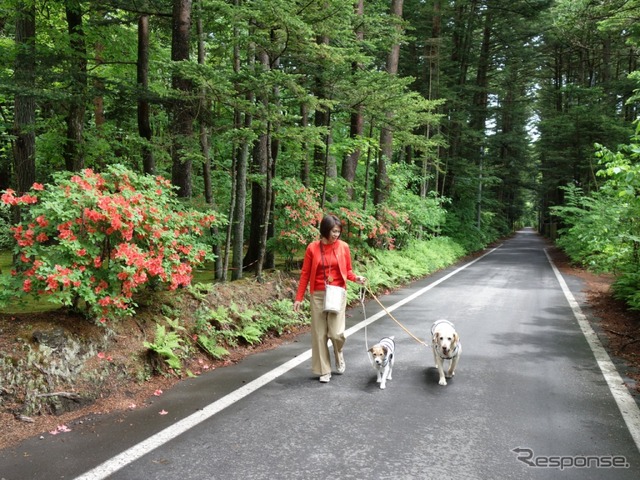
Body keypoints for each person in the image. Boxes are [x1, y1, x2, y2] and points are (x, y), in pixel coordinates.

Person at [293, 214, 366, 383]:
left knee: (336, 333)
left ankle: (338, 352)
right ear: (325, 230)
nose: (336, 235)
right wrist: (299, 298)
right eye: (334, 231)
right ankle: (324, 370)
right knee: (319, 334)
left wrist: (356, 278)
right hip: (318, 294)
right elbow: (305, 274)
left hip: (337, 293)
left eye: (338, 232)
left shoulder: (343, 247)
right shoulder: (312, 248)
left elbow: (348, 271)